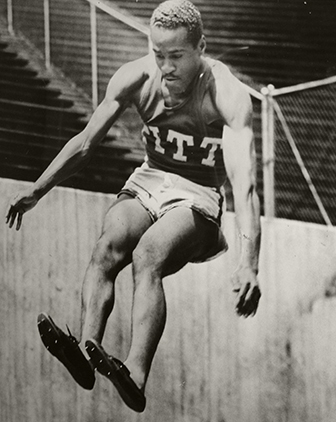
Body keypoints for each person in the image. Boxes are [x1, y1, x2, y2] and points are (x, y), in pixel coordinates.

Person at [5, 0, 261, 413]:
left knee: (148, 254)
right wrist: (38, 188)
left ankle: (136, 375)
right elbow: (87, 144)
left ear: (201, 47)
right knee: (109, 243)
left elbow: (246, 187)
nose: (167, 67)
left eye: (177, 56)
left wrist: (250, 261)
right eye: (158, 54)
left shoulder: (225, 93)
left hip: (198, 193)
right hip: (150, 179)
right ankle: (87, 350)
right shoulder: (136, 77)